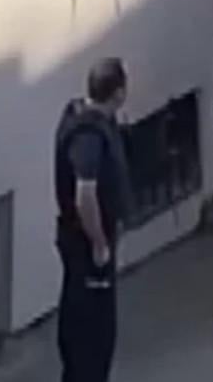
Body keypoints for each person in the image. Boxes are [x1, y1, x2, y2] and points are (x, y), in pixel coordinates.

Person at [54, 58, 134, 382]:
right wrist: (99, 242)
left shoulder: (88, 118)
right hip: (86, 242)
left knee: (86, 325)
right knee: (92, 334)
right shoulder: (88, 134)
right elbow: (84, 195)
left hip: (85, 237)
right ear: (118, 92)